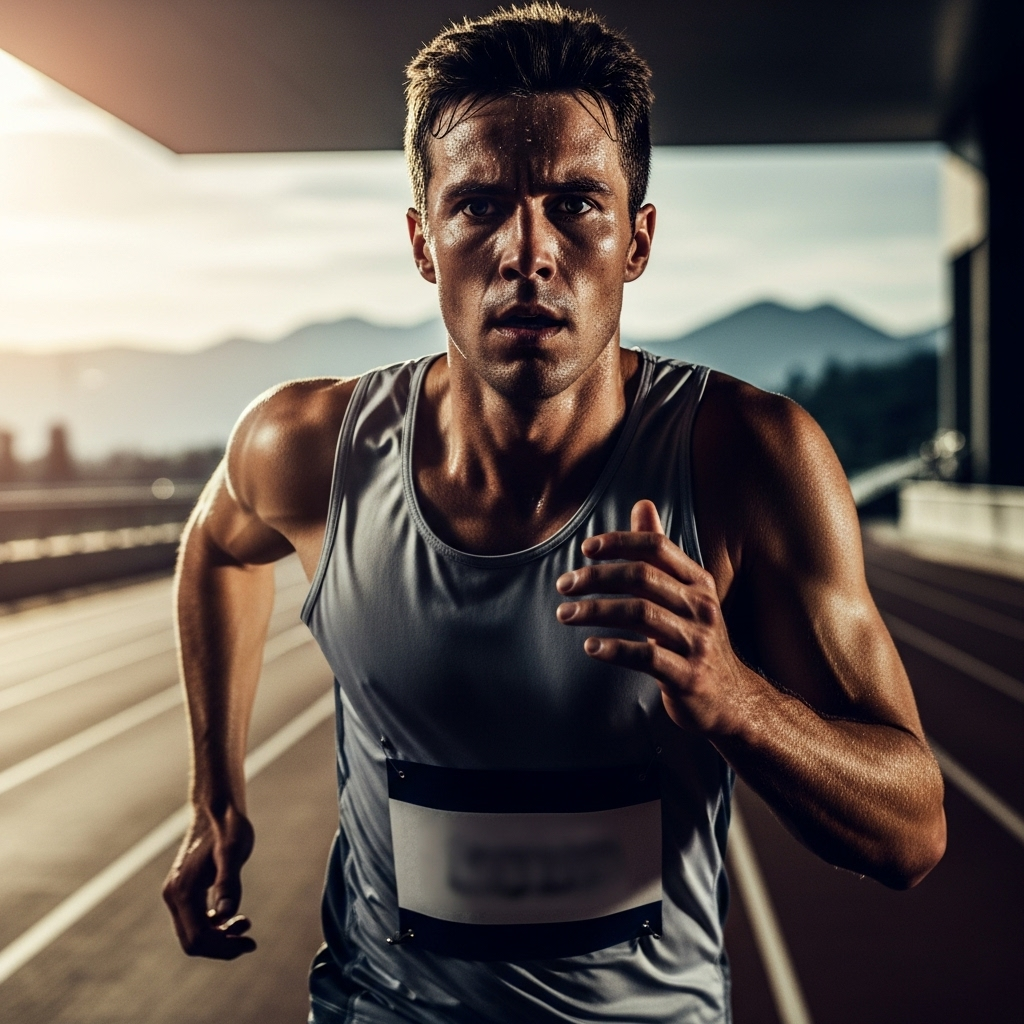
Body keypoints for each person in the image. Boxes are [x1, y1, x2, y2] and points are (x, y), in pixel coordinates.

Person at [162, 5, 946, 1021]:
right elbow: (218, 546)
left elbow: (913, 828)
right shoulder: (312, 447)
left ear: (637, 240)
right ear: (421, 241)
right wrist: (213, 794)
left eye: (575, 203)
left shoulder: (747, 461)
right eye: (479, 206)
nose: (525, 251)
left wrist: (731, 696)